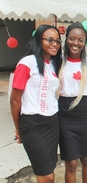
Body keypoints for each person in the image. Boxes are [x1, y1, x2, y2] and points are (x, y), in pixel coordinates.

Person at [10, 25, 62, 183]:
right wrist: (18, 129)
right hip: (33, 124)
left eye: (58, 41)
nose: (55, 44)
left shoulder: (52, 64)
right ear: (38, 40)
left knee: (51, 168)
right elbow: (14, 99)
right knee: (46, 175)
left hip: (52, 123)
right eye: (50, 40)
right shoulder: (27, 63)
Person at [57, 21, 87, 183]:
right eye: (72, 38)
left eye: (80, 40)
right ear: (66, 39)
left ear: (84, 42)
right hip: (64, 114)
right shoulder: (58, 62)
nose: (76, 43)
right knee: (71, 162)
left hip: (84, 113)